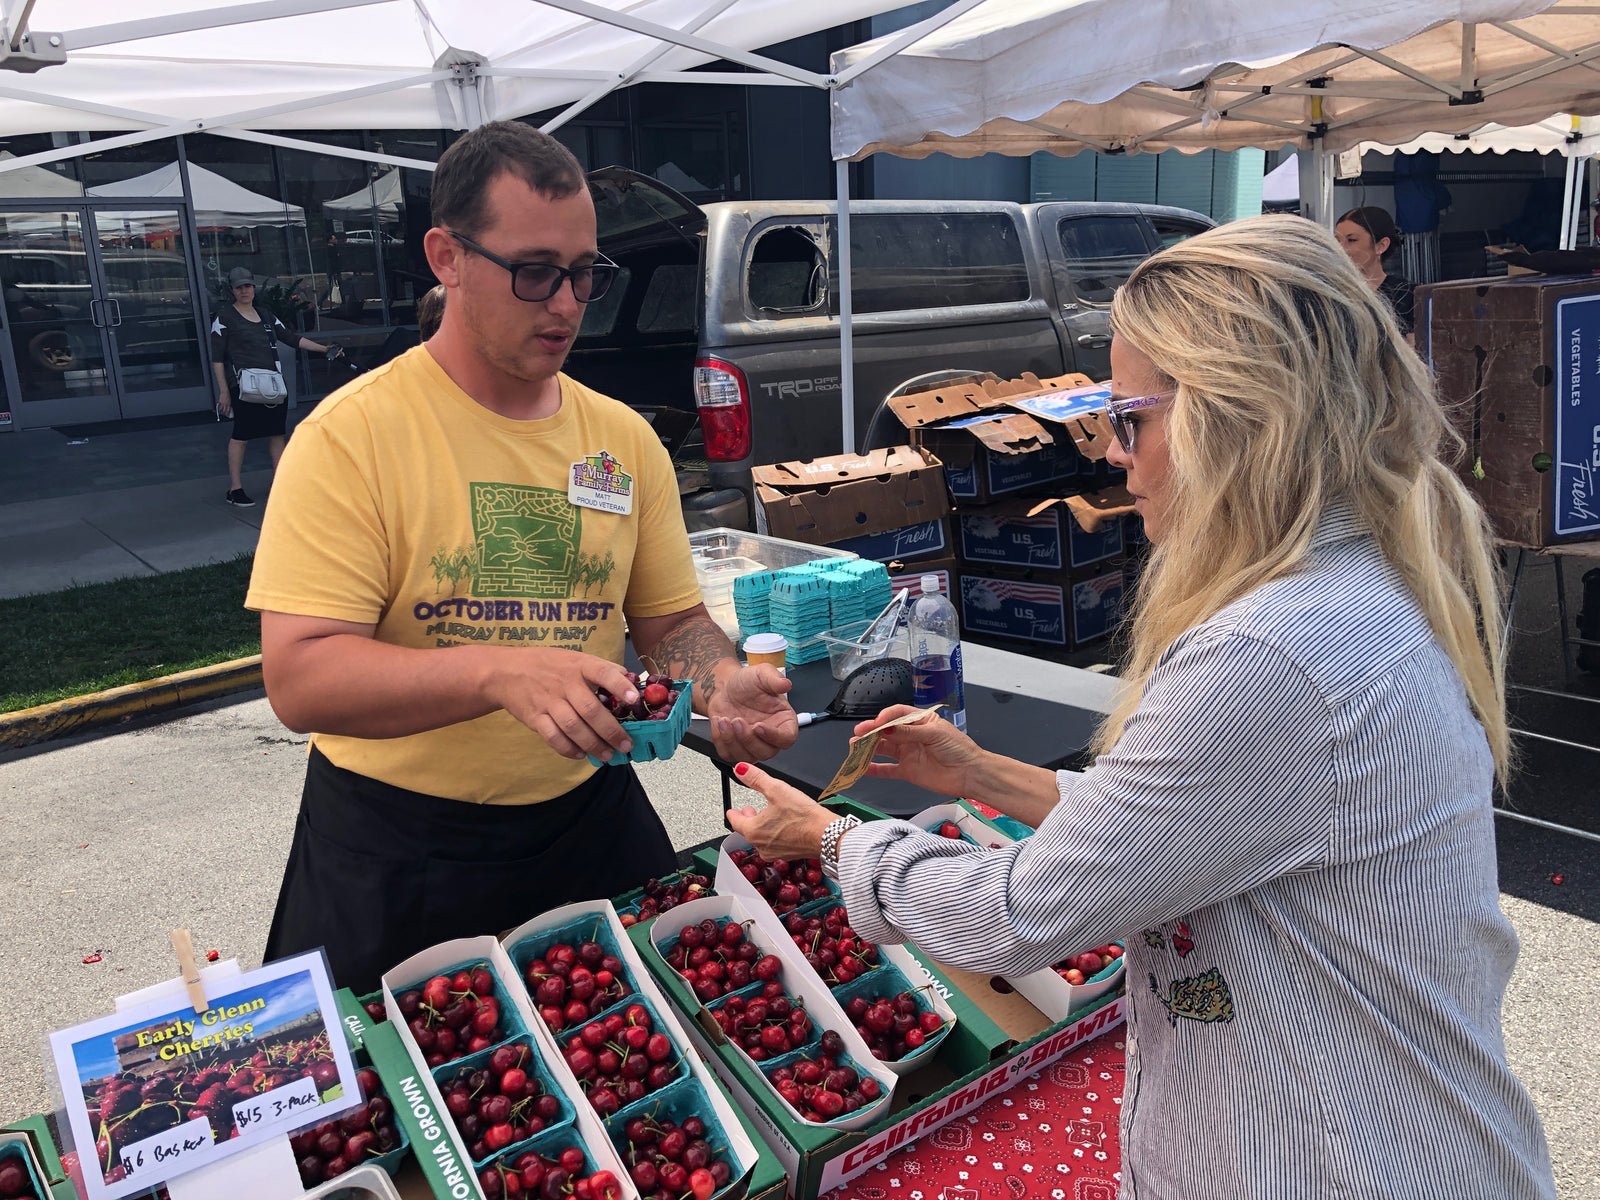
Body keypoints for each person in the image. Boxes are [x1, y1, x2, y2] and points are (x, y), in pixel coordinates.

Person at [726, 215, 1555, 1199]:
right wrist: (987, 776)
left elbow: (1016, 917)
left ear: (1238, 414)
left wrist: (829, 841)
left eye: (1131, 418)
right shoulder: (1355, 587)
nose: (1114, 454)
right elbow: (1185, 829)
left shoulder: (1267, 657)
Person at [245, 121, 797, 992]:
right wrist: (497, 674)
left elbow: (669, 626)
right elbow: (301, 680)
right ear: (447, 256)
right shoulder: (351, 438)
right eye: (536, 271)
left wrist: (720, 682)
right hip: (397, 847)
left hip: (589, 820)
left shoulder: (622, 441)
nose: (569, 303)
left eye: (586, 273)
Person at [211, 267, 343, 507]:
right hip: (243, 386)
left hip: (272, 385)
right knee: (241, 435)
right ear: (232, 290)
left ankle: (280, 483)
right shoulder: (225, 318)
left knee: (276, 433)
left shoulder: (265, 314)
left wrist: (323, 349)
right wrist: (223, 391)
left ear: (253, 287)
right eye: (239, 287)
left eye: (248, 286)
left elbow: (292, 338)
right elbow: (218, 358)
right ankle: (235, 488)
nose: (244, 291)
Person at [1335, 205, 1415, 341]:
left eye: (1352, 240)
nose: (1341, 249)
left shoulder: (1406, 295)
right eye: (1337, 241)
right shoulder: (1331, 294)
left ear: (1381, 246)